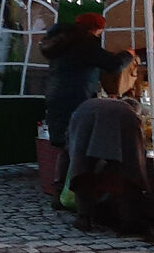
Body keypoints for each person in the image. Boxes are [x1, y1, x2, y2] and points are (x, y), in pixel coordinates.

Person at [40, 12, 135, 206]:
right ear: (96, 28)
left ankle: (60, 193)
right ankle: (77, 198)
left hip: (56, 96)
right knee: (77, 148)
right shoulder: (84, 42)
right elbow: (113, 65)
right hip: (76, 98)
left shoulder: (63, 41)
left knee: (65, 147)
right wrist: (129, 55)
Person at [64, 97, 153, 238]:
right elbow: (136, 157)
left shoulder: (90, 105)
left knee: (82, 168)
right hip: (110, 118)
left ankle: (84, 217)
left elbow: (70, 150)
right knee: (129, 170)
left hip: (84, 118)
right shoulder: (128, 113)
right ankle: (129, 220)